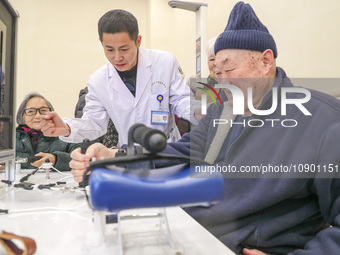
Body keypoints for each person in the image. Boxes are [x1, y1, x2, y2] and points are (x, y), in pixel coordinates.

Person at [68, 2, 340, 255]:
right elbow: (177, 154)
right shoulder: (224, 112)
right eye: (216, 73)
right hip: (194, 235)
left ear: (266, 62)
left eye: (229, 69)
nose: (220, 81)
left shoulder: (321, 122)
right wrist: (114, 157)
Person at [40, 9, 200, 146]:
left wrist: (202, 111)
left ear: (138, 40)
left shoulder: (165, 62)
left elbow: (181, 100)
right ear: (101, 42)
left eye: (124, 49)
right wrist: (67, 128)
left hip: (167, 150)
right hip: (128, 154)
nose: (117, 57)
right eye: (109, 50)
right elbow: (95, 123)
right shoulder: (98, 81)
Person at [16, 92, 80, 170]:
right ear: (22, 116)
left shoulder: (65, 134)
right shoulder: (11, 138)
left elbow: (82, 157)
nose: (38, 116)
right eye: (30, 111)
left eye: (43, 110)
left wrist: (56, 160)